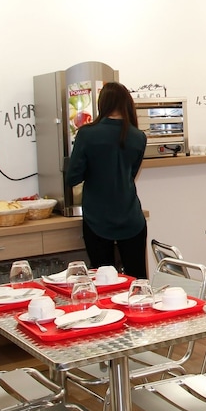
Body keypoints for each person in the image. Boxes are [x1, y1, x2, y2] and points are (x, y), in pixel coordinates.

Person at [66, 81, 149, 278]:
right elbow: (130, 173)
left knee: (103, 280)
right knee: (137, 279)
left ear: (102, 103)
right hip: (131, 217)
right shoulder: (138, 136)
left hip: (97, 219)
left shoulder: (87, 134)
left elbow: (72, 177)